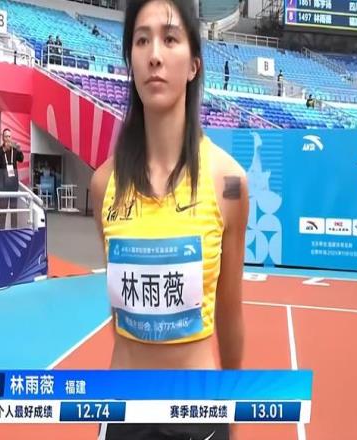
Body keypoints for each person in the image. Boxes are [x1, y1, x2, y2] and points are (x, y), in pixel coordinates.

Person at [90, 1, 248, 439]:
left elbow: (230, 315)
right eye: (142, 40)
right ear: (131, 60)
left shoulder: (229, 183)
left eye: (170, 38)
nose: (155, 55)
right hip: (123, 412)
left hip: (199, 416)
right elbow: (121, 315)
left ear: (194, 64)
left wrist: (232, 417)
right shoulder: (104, 185)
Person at [0, 129, 24, 230]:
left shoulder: (14, 150)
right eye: (6, 136)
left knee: (14, 210)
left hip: (13, 184)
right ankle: (1, 230)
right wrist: (4, 150)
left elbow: (21, 159)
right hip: (4, 185)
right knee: (3, 210)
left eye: (9, 136)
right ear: (3, 138)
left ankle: (14, 230)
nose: (8, 139)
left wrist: (19, 150)